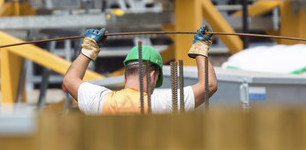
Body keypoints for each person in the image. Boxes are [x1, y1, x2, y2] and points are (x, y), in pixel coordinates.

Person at [63, 25, 218, 114]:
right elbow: (209, 85)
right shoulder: (161, 104)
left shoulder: (99, 101)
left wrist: (89, 49)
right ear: (152, 75)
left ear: (125, 77)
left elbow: (70, 80)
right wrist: (200, 50)